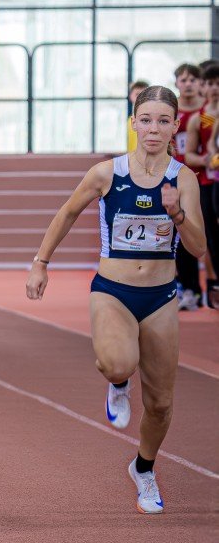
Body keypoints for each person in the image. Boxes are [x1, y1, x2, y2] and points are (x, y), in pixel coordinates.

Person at [26, 85, 207, 514]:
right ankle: (118, 384)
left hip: (161, 297)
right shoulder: (107, 173)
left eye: (164, 121)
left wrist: (176, 213)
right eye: (146, 120)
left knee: (161, 404)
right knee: (117, 362)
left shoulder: (183, 179)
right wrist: (40, 263)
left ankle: (143, 469)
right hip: (113, 291)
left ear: (175, 126)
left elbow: (199, 248)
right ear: (133, 124)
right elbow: (67, 212)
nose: (154, 129)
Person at [170, 64, 205, 308]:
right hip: (175, 177)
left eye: (193, 79)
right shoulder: (173, 112)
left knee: (198, 232)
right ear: (177, 84)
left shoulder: (206, 113)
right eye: (184, 79)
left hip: (202, 177)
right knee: (177, 232)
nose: (189, 83)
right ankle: (184, 286)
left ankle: (201, 287)